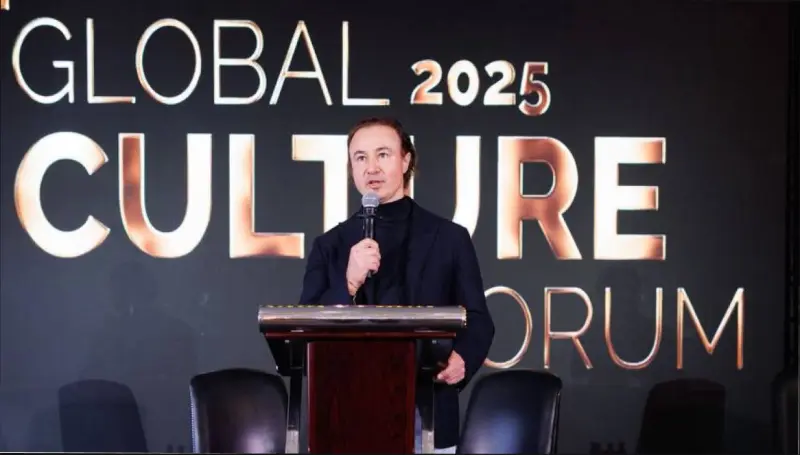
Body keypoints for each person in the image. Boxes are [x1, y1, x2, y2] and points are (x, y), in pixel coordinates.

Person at [298, 117, 495, 453]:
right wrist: (349, 282)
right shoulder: (329, 245)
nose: (371, 167)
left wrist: (463, 357)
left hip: (427, 413)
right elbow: (305, 334)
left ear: (405, 161)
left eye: (383, 154)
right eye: (360, 157)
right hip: (346, 416)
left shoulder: (449, 238)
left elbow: (478, 318)